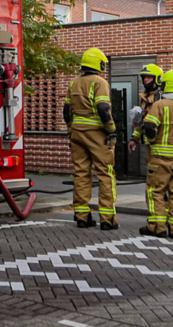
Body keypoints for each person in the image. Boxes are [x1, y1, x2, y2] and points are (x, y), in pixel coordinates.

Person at [64, 47, 118, 230]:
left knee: (81, 174)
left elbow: (66, 110)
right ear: (99, 64)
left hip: (77, 134)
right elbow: (103, 108)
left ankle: (82, 216)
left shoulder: (74, 83)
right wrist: (111, 129)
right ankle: (107, 219)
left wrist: (71, 129)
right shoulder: (99, 82)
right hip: (97, 134)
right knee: (105, 174)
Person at [139, 69, 173, 239]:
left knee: (155, 191)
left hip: (159, 158)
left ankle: (157, 227)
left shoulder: (159, 105)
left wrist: (151, 141)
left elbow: (149, 127)